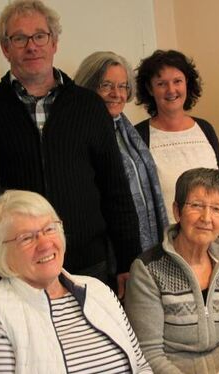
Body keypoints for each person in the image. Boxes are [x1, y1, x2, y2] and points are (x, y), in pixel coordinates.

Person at [0, 0, 141, 295]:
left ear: (54, 42)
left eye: (40, 36)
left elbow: (116, 189)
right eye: (19, 38)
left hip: (89, 266)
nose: (32, 46)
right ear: (5, 48)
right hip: (19, 269)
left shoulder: (89, 106)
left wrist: (128, 261)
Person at [0, 190, 151, 373]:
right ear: (0, 253)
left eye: (49, 229)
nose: (45, 244)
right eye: (26, 238)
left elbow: (141, 366)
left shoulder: (98, 291)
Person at [125, 168, 219, 374]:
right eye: (196, 206)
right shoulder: (148, 270)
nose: (206, 218)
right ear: (177, 211)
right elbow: (148, 353)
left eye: (216, 209)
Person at [74, 51, 169, 252]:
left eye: (122, 86)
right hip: (108, 250)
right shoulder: (81, 135)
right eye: (106, 86)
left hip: (146, 245)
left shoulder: (127, 132)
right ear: (88, 87)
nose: (116, 94)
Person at [135, 50, 219, 223]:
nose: (171, 90)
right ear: (150, 88)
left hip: (211, 236)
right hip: (164, 241)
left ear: (187, 84)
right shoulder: (138, 135)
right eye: (161, 83)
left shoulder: (205, 129)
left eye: (177, 81)